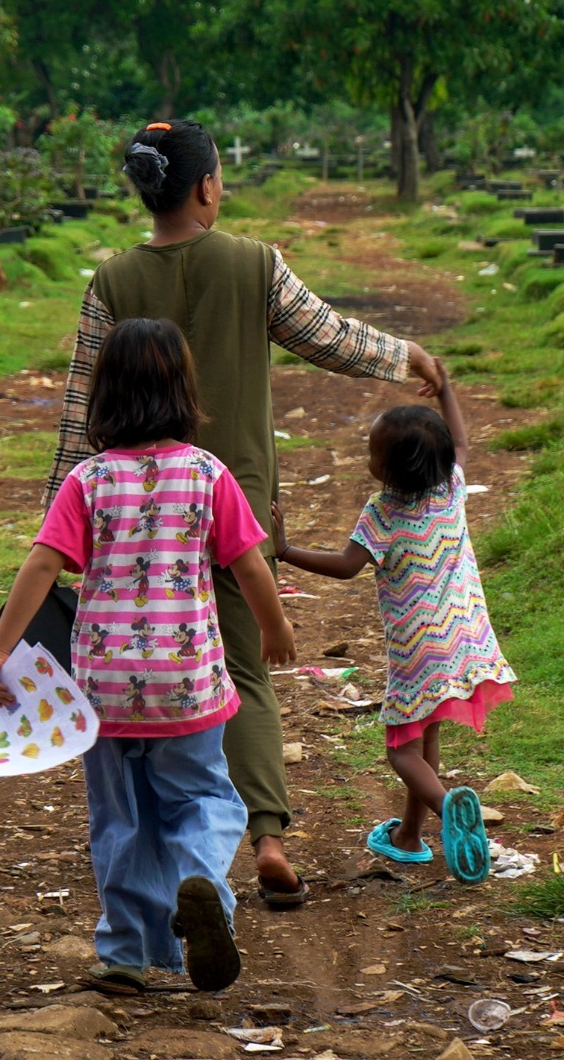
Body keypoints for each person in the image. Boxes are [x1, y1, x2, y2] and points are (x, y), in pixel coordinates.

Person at [47, 118, 446, 907]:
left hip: (130, 515)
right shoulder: (254, 263)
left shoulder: (111, 282)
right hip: (233, 500)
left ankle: (158, 840)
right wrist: (409, 357)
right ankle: (268, 838)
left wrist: (63, 529)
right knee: (243, 671)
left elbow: (76, 411)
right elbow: (330, 337)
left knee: (147, 664)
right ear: (205, 187)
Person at [0, 317, 295, 995]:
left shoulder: (88, 480)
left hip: (104, 686)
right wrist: (274, 628)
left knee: (120, 818)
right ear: (184, 391)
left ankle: (126, 952)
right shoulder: (208, 473)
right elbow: (249, 563)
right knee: (203, 796)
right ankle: (201, 882)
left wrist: (0, 651)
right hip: (186, 682)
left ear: (105, 395)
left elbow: (42, 564)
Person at [269, 363, 514, 884]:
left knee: (400, 750)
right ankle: (409, 836)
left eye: (373, 452)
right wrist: (446, 390)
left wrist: (285, 550)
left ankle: (449, 809)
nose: (368, 458)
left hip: (418, 649)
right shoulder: (451, 486)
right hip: (466, 636)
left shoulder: (382, 511)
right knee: (426, 736)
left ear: (389, 470)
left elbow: (346, 566)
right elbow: (461, 442)